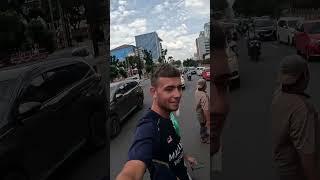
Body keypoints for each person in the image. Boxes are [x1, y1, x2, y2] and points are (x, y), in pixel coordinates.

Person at [116, 63, 197, 180]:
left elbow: (174, 146)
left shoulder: (168, 117)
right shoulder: (148, 127)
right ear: (154, 92)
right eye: (169, 89)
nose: (178, 94)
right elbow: (131, 171)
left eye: (179, 88)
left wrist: (186, 157)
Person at [271, 55, 320, 180]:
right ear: (304, 77)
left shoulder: (279, 94)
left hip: (282, 167)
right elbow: (307, 157)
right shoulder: (303, 109)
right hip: (298, 173)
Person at [195, 79, 210, 143]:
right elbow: (205, 110)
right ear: (205, 86)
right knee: (203, 125)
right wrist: (208, 120)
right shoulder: (204, 96)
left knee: (202, 125)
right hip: (202, 114)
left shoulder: (196, 91)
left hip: (198, 112)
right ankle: (203, 138)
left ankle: (205, 134)